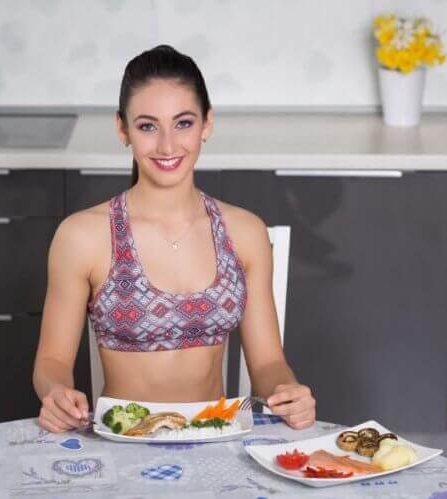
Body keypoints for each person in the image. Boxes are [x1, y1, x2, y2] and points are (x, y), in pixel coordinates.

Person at [33, 45, 315, 433]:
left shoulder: (244, 233)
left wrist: (288, 390)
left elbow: (267, 364)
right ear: (123, 129)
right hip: (124, 444)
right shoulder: (82, 236)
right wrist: (57, 393)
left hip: (215, 440)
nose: (167, 145)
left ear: (207, 124)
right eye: (148, 126)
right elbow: (51, 361)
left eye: (183, 123)